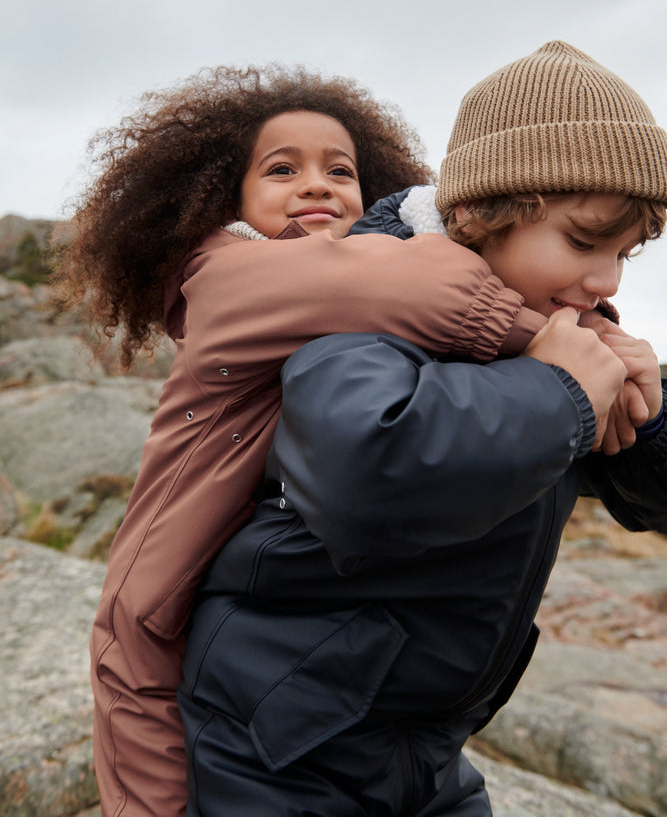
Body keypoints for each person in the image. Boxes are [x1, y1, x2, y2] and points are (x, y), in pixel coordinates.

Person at [178, 41, 667, 816]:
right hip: (280, 742)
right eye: (582, 241)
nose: (605, 280)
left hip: (426, 750)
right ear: (478, 213)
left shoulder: (562, 321)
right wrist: (562, 395)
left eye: (623, 253)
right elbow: (363, 479)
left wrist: (647, 410)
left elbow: (653, 503)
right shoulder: (369, 293)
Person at [57, 64, 546, 817]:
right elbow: (423, 289)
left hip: (338, 685)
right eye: (282, 169)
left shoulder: (350, 282)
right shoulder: (224, 272)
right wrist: (572, 354)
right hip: (164, 574)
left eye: (340, 170)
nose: (316, 185)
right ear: (230, 199)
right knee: (143, 710)